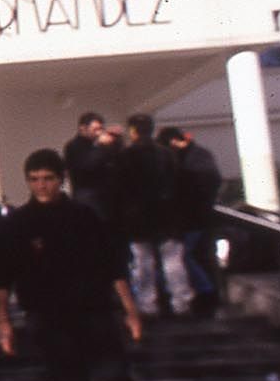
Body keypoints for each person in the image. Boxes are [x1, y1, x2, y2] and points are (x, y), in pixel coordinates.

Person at [0, 148, 143, 381]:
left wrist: (131, 309)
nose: (41, 185)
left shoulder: (84, 216)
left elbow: (113, 266)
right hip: (48, 317)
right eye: (34, 179)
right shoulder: (18, 223)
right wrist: (2, 321)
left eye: (48, 178)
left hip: (94, 312)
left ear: (61, 179)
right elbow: (1, 276)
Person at [117, 114, 192, 317]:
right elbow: (178, 183)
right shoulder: (166, 154)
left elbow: (120, 188)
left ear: (133, 131)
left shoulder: (125, 156)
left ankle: (147, 304)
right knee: (173, 261)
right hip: (167, 215)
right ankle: (181, 302)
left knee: (142, 263)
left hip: (138, 218)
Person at [157, 126, 223, 317]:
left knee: (187, 256)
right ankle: (206, 292)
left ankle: (206, 291)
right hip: (197, 217)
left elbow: (199, 185)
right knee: (193, 256)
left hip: (194, 219)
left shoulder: (191, 160)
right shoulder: (198, 156)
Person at [64, 112, 122, 223]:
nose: (99, 133)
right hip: (87, 202)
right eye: (95, 129)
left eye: (101, 129)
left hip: (104, 201)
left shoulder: (97, 146)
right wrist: (101, 145)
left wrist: (116, 141)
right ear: (82, 128)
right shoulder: (73, 146)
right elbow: (87, 165)